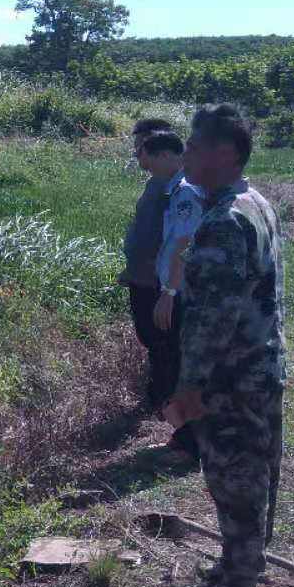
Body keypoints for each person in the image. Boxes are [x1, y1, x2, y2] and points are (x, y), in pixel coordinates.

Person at [163, 104, 286, 587]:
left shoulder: (225, 221)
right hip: (260, 366)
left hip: (232, 377)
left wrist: (189, 385)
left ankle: (238, 582)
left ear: (226, 152)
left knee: (236, 476)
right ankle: (244, 563)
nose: (185, 154)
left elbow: (212, 319)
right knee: (257, 469)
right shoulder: (255, 202)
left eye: (194, 145)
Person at [140, 130, 206, 455]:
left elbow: (185, 242)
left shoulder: (185, 191)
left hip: (181, 293)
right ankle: (186, 436)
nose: (144, 164)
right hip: (179, 290)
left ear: (167, 155)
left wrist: (168, 291)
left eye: (148, 157)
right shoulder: (177, 189)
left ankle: (192, 440)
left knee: (180, 365)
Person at [119, 117, 182, 417]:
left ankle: (165, 405)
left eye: (141, 148)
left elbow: (177, 239)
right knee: (155, 341)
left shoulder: (177, 187)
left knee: (162, 341)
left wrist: (166, 286)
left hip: (156, 279)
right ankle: (162, 401)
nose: (137, 154)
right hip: (144, 275)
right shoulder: (157, 182)